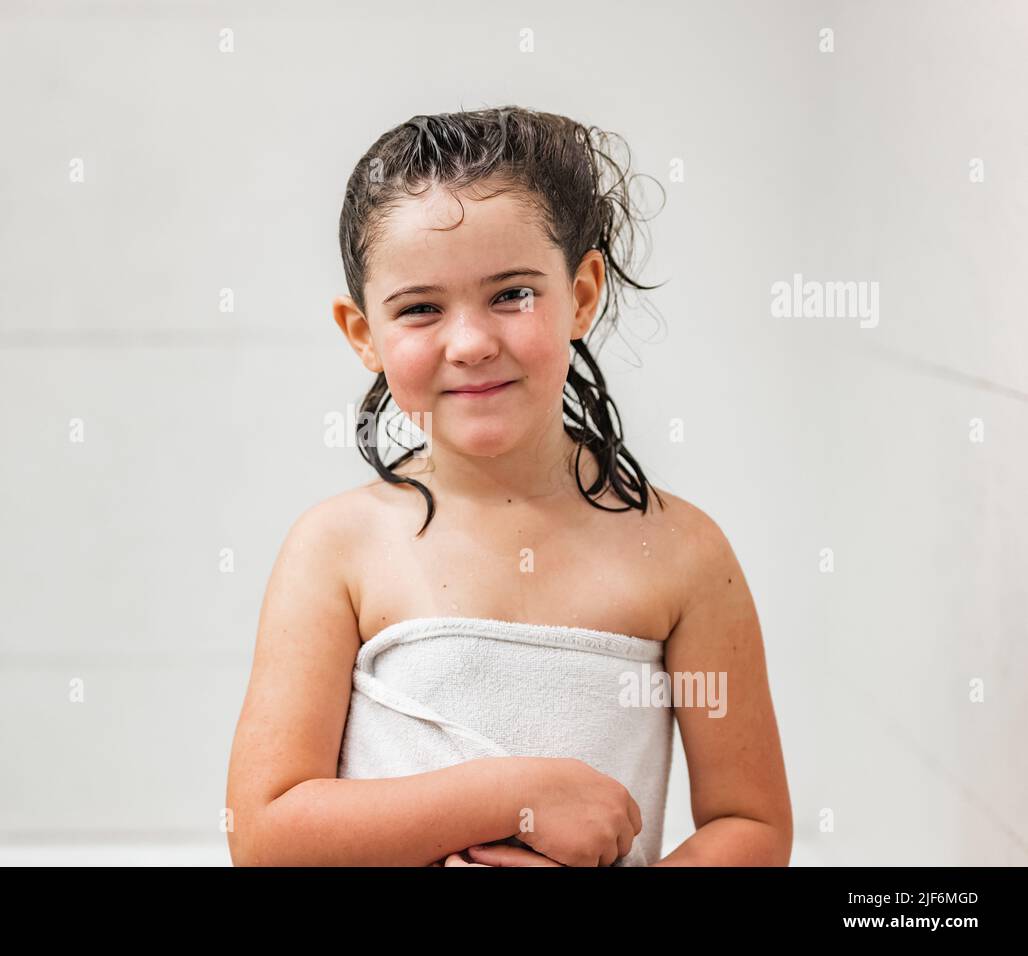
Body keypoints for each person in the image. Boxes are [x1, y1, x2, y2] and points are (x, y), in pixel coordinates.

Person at [225, 106, 792, 867]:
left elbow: (749, 824)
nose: (471, 343)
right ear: (364, 335)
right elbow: (264, 834)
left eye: (512, 295)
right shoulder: (337, 549)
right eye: (421, 308)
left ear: (583, 294)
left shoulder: (682, 552)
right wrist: (511, 795)